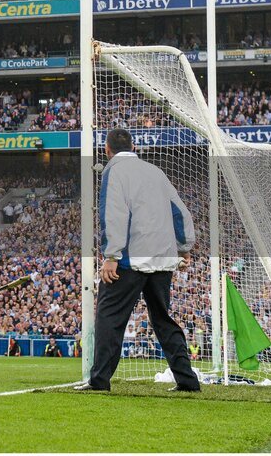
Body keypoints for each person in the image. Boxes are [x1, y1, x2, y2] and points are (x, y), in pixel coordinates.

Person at [75, 128, 199, 392]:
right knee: (163, 319)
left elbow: (115, 213)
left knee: (110, 318)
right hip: (163, 260)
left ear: (107, 150)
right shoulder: (155, 171)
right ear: (134, 146)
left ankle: (99, 381)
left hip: (130, 259)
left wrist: (111, 255)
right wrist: (185, 246)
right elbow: (180, 210)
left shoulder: (114, 171)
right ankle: (188, 381)